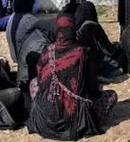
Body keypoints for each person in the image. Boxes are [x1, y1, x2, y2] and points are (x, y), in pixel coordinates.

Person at [27, 11, 118, 140]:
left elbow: (41, 82)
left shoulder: (48, 51)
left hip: (45, 118)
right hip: (75, 119)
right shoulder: (81, 53)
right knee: (111, 96)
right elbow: (93, 90)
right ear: (73, 28)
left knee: (34, 83)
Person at [5, 0, 52, 91]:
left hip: (16, 55)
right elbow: (45, 27)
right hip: (24, 57)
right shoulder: (28, 19)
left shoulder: (13, 16)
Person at [73, 1, 125, 81]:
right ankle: (101, 75)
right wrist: (116, 47)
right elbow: (109, 51)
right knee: (121, 57)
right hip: (93, 63)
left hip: (78, 65)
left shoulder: (75, 26)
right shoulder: (93, 26)